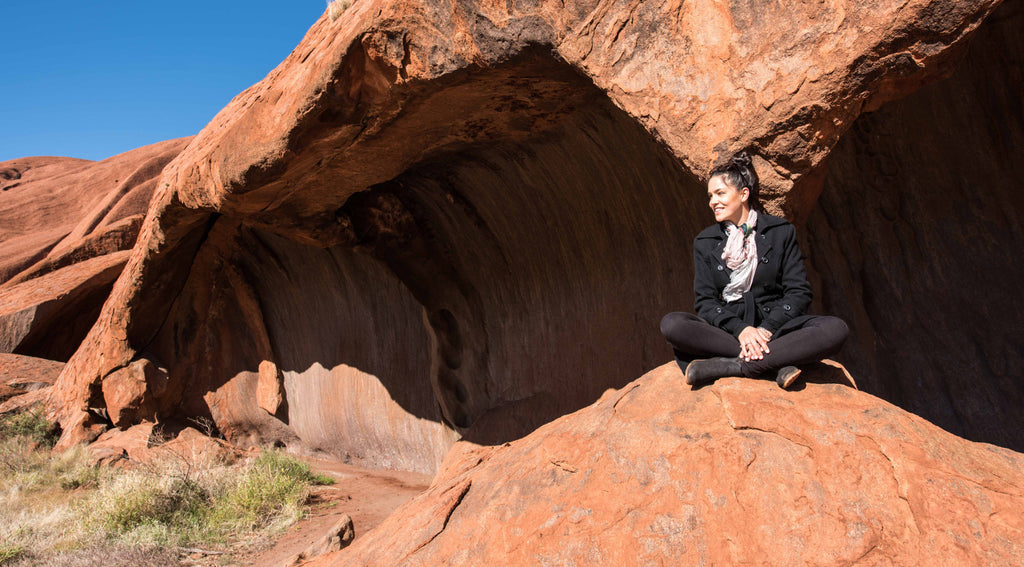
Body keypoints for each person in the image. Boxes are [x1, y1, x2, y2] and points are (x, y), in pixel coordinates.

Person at [660, 152, 849, 388]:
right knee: (673, 324)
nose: (712, 202)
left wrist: (766, 329)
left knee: (834, 329)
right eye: (710, 196)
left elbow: (798, 292)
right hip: (730, 333)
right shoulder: (705, 241)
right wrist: (742, 330)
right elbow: (706, 303)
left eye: (720, 193)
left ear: (743, 194)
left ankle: (738, 366)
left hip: (776, 330)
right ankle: (777, 364)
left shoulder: (780, 232)